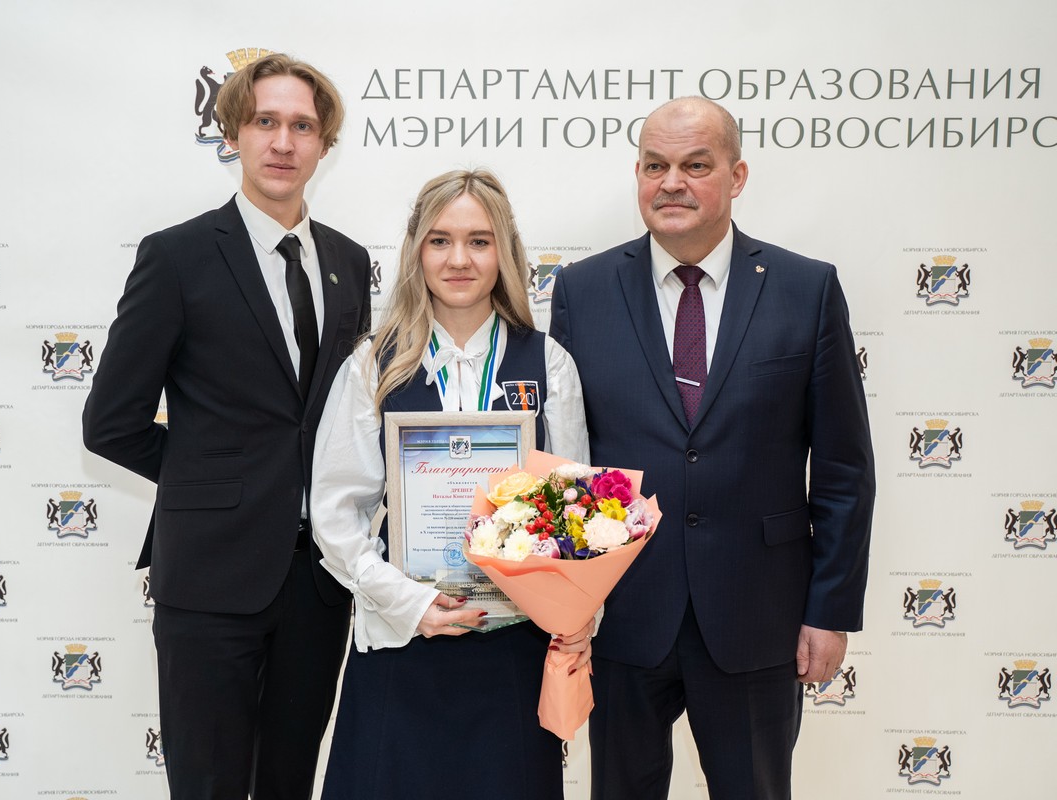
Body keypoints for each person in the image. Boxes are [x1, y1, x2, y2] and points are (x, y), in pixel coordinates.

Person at [549, 97, 875, 799]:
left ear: (737, 175)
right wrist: (566, 605)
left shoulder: (806, 289)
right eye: (654, 166)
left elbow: (844, 470)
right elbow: (565, 459)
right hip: (624, 614)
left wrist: (829, 610)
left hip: (759, 615)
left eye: (696, 165)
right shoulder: (582, 290)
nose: (672, 183)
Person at [82, 53, 371, 800]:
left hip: (319, 580)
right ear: (233, 134)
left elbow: (343, 416)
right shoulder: (176, 256)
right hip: (210, 577)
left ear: (324, 145)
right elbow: (110, 423)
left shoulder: (347, 262)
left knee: (289, 782)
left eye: (302, 126)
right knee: (207, 784)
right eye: (265, 122)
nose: (283, 142)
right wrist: (218, 481)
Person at [310, 169, 590, 800]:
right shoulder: (372, 363)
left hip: (514, 644)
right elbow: (334, 512)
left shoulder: (548, 363)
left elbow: (575, 512)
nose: (458, 259)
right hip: (402, 639)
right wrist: (407, 603)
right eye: (440, 240)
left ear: (505, 252)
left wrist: (574, 612)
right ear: (416, 250)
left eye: (479, 241)